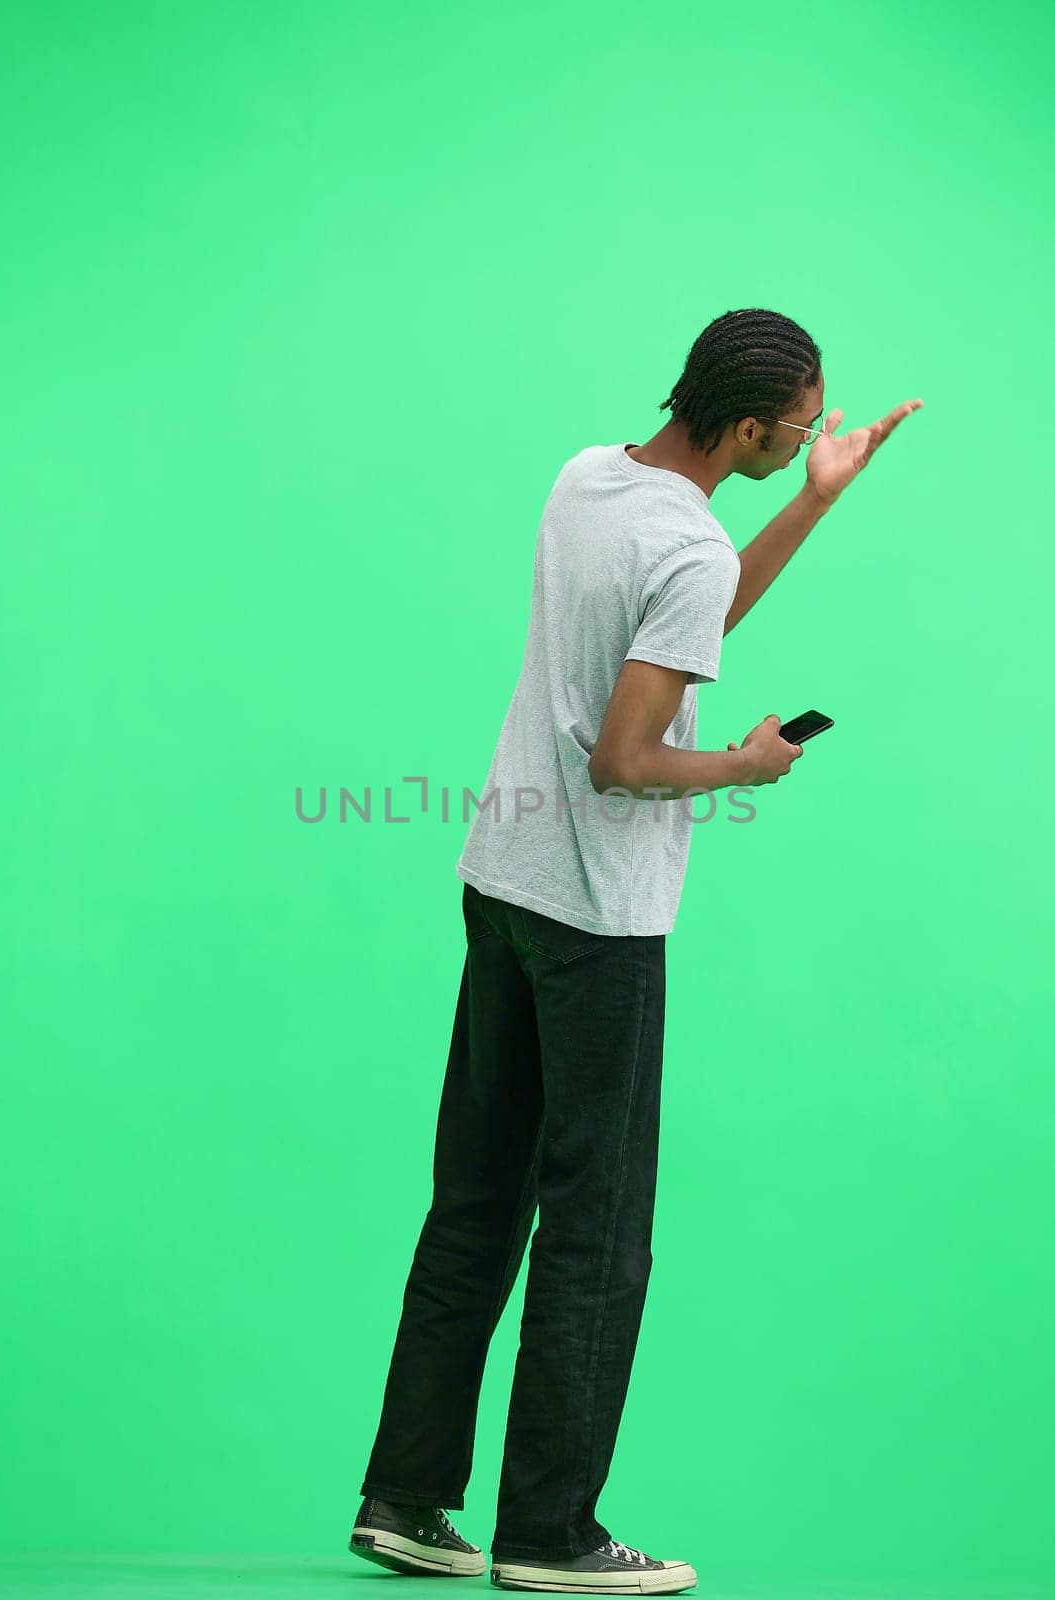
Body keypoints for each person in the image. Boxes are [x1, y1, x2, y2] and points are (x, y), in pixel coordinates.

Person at [350, 308, 923, 1593]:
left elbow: (690, 607)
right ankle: (549, 1533)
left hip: (500, 884)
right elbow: (625, 757)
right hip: (596, 919)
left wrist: (816, 500)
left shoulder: (588, 474)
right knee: (596, 1231)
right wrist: (744, 764)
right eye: (797, 427)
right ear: (736, 426)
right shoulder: (681, 545)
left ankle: (404, 1495)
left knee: (475, 1203)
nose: (808, 436)